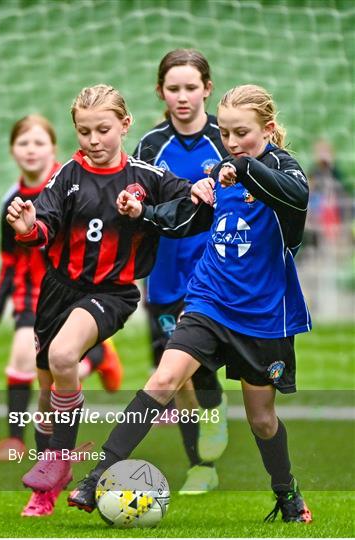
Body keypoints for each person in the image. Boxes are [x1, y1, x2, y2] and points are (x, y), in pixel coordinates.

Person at [69, 84, 313, 524]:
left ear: (269, 129)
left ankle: (286, 491)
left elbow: (297, 198)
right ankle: (97, 476)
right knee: (164, 378)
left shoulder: (281, 168)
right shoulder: (222, 171)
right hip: (208, 300)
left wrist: (242, 166)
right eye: (227, 135)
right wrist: (140, 215)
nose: (232, 142)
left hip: (262, 316)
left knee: (262, 420)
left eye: (243, 133)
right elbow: (185, 219)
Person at [5, 85, 194, 516]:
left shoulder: (148, 176)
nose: (94, 140)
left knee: (64, 354)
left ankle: (60, 458)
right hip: (59, 290)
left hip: (112, 292)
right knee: (48, 392)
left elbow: (187, 199)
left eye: (103, 129)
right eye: (85, 131)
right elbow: (44, 224)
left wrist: (161, 208)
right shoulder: (68, 174)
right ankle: (47, 488)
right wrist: (28, 226)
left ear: (125, 126)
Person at [0, 114, 123, 510]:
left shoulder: (73, 182)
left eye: (39, 142)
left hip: (80, 294)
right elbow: (11, 256)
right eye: (23, 143)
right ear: (12, 151)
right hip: (37, 297)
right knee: (47, 390)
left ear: (54, 148)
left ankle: (42, 488)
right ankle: (95, 358)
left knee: (45, 361)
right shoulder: (14, 200)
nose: (30, 150)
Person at [134, 49, 228, 494]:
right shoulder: (151, 146)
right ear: (161, 92)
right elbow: (137, 205)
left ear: (207, 89)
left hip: (215, 271)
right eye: (174, 89)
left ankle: (208, 446)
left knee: (197, 362)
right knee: (177, 371)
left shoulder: (224, 139)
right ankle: (202, 464)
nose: (183, 96)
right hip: (165, 273)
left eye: (192, 87)